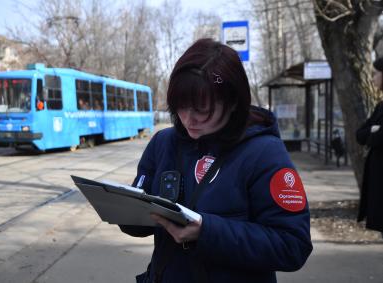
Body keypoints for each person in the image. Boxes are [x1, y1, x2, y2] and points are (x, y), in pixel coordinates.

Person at [120, 38, 312, 283]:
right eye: (181, 106)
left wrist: (207, 232)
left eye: (202, 109)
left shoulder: (264, 152)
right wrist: (124, 210)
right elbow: (140, 221)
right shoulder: (163, 143)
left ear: (233, 102)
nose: (189, 119)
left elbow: (292, 245)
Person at [356, 57, 383, 234]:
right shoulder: (380, 107)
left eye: (376, 73)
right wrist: (375, 131)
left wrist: (374, 134)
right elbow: (360, 134)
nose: (372, 78)